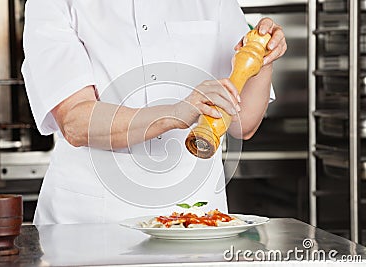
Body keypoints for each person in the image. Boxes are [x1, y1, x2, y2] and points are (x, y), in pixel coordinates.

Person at [22, 0, 287, 225]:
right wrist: (174, 114)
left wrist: (263, 60)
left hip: (196, 220)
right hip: (90, 221)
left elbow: (244, 125)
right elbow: (75, 121)